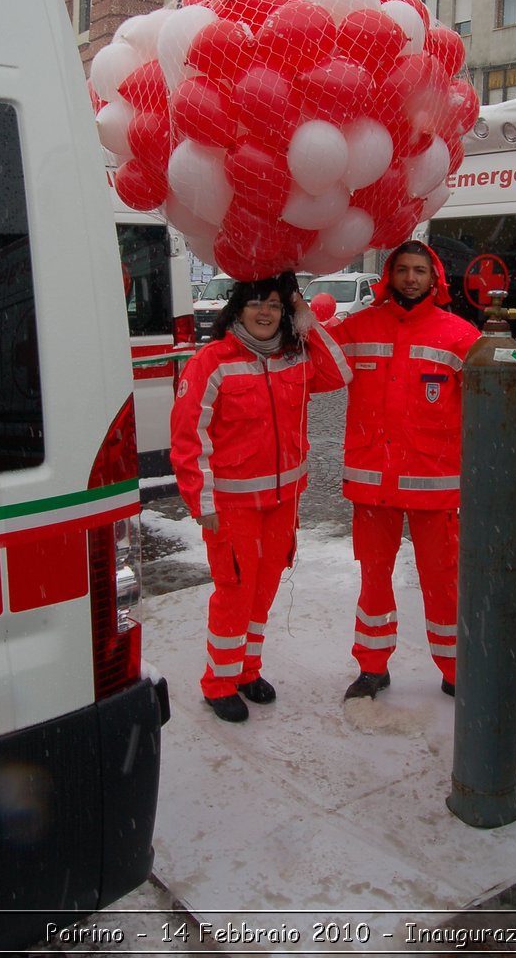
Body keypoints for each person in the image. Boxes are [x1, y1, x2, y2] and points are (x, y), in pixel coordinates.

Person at [170, 272, 351, 723]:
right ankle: (219, 681)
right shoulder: (211, 361)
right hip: (232, 507)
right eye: (256, 303)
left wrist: (305, 314)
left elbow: (339, 372)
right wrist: (202, 502)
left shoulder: (295, 357)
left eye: (274, 304)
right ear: (238, 310)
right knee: (235, 591)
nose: (266, 312)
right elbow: (188, 437)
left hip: (283, 503)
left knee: (265, 588)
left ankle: (248, 669)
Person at [332, 241, 480, 700]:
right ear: (389, 276)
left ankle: (457, 670)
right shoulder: (357, 329)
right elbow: (317, 371)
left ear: (434, 279)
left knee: (443, 584)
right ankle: (372, 667)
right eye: (403, 270)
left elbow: (487, 404)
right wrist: (300, 319)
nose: (411, 279)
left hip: (436, 488)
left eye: (420, 271)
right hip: (371, 485)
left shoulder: (459, 336)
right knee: (374, 581)